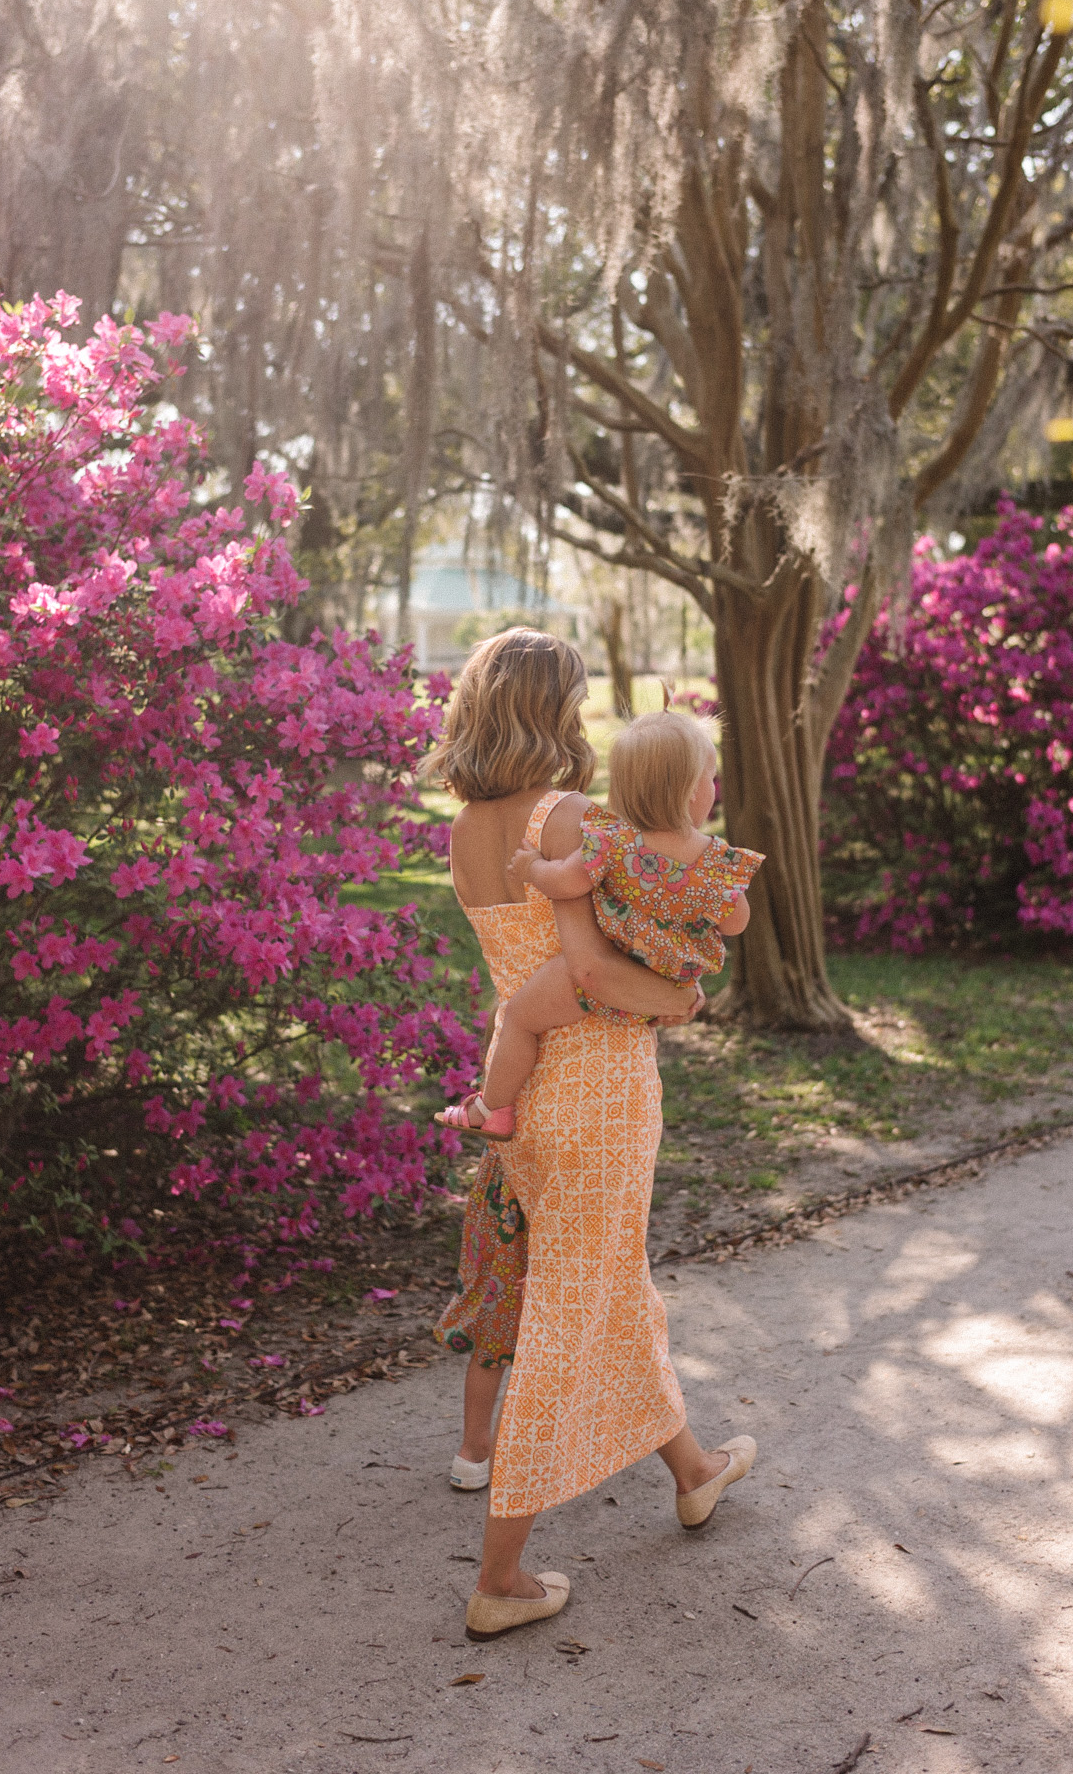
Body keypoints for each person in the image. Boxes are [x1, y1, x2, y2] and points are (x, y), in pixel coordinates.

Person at [421, 628, 756, 1640]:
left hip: (524, 1091)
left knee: (607, 1284)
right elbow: (597, 973)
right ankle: (501, 1574)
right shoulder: (566, 814)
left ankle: (694, 1473)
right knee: (575, 1306)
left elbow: (529, 971)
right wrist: (685, 1002)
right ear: (550, 711)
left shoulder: (467, 826)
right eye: (572, 702)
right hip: (596, 1089)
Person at [434, 707, 764, 1136]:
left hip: (609, 964)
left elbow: (568, 882)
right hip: (666, 974)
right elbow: (737, 922)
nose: (713, 789)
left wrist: (533, 868)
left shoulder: (613, 842)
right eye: (711, 779)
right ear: (691, 791)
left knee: (518, 1017)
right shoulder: (716, 861)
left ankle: (491, 1108)